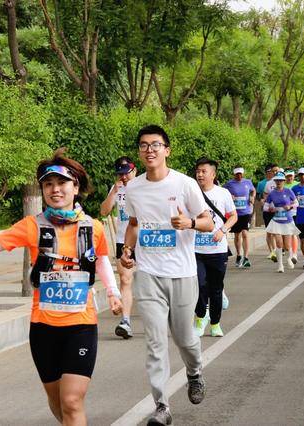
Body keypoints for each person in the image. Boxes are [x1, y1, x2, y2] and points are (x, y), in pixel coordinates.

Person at [0, 149, 123, 426]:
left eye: (61, 184)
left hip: (81, 324)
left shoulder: (93, 227)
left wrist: (113, 292)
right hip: (43, 327)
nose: (55, 190)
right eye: (48, 184)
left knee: (72, 401)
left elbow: (100, 261)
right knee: (58, 403)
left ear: (75, 187)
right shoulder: (32, 226)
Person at [120, 125, 213, 425]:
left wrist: (189, 223)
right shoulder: (132, 188)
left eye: (156, 144)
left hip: (182, 274)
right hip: (148, 274)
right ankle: (161, 406)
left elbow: (208, 222)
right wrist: (127, 249)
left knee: (186, 339)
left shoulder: (185, 184)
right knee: (156, 342)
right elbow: (134, 223)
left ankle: (195, 372)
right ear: (139, 151)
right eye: (144, 145)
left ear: (167, 150)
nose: (150, 150)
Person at [193, 157, 237, 337]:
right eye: (198, 171)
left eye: (204, 171)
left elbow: (233, 216)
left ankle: (216, 323)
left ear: (213, 174)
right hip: (196, 250)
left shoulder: (223, 193)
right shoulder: (191, 192)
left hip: (217, 250)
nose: (200, 174)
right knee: (200, 285)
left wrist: (223, 230)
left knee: (216, 288)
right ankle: (199, 319)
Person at [100, 156, 137, 339]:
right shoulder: (117, 188)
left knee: (152, 280)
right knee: (125, 279)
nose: (123, 177)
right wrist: (114, 192)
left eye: (126, 173)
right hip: (123, 241)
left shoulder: (144, 186)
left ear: (134, 170)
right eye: (120, 174)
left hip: (145, 239)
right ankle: (126, 321)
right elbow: (104, 211)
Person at [264, 172, 300, 272]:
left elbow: (296, 203)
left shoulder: (288, 191)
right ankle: (280, 266)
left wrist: (290, 206)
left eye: (280, 180)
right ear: (275, 181)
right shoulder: (272, 193)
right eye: (277, 180)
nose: (279, 182)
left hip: (287, 221)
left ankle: (289, 258)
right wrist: (271, 209)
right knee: (279, 243)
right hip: (276, 221)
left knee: (287, 246)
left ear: (283, 181)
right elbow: (265, 206)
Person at [223, 166, 256, 268]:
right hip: (235, 214)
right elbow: (221, 192)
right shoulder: (229, 184)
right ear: (234, 174)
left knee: (245, 233)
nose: (239, 175)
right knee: (237, 235)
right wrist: (229, 196)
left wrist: (252, 197)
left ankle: (246, 257)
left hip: (246, 212)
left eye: (240, 173)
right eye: (237, 174)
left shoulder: (248, 182)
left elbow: (253, 190)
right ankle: (238, 255)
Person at [259, 164, 280, 262]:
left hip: (279, 211)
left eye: (277, 171)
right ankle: (271, 251)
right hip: (268, 211)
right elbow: (265, 196)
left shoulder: (282, 182)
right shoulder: (268, 183)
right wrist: (267, 204)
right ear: (271, 172)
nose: (275, 172)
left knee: (276, 232)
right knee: (269, 232)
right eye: (273, 171)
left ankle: (277, 250)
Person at [284, 170, 299, 264]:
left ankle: (294, 254)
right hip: (284, 214)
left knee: (293, 234)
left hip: (294, 213)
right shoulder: (282, 186)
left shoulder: (297, 185)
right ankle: (289, 252)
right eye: (288, 176)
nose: (289, 177)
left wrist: (292, 205)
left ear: (294, 176)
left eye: (291, 176)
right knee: (286, 235)